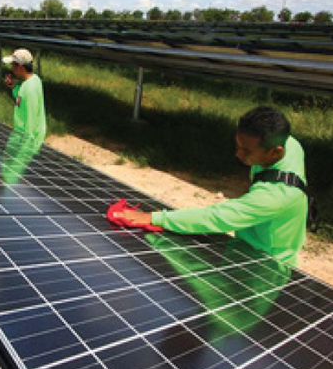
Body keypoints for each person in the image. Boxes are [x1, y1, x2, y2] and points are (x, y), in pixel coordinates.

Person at [114, 106, 308, 266]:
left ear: (275, 152)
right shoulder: (290, 145)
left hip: (268, 264)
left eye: (246, 151)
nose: (238, 154)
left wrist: (154, 217)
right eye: (238, 145)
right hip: (253, 244)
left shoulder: (274, 197)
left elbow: (216, 217)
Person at [3, 48, 46, 146]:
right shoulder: (32, 81)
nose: (11, 68)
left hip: (26, 141)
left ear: (20, 67)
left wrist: (25, 148)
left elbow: (32, 120)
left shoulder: (30, 88)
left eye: (13, 65)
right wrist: (13, 87)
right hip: (20, 136)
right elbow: (22, 98)